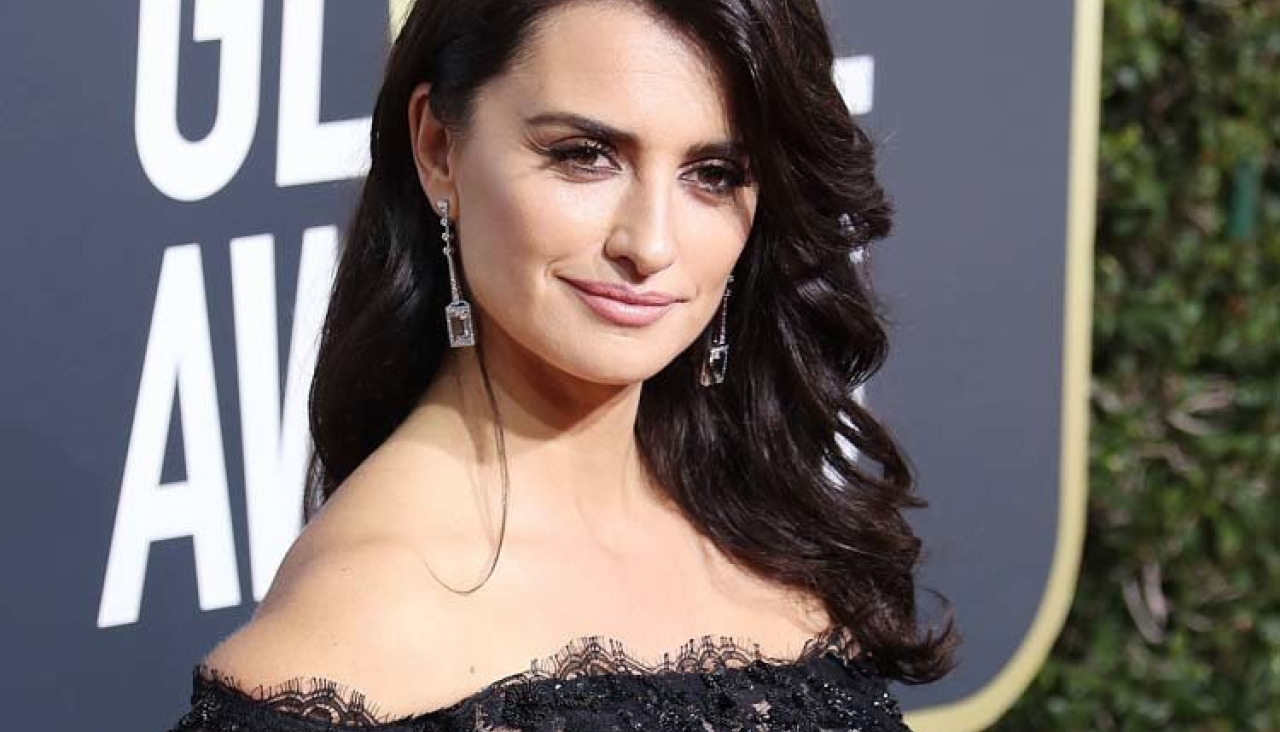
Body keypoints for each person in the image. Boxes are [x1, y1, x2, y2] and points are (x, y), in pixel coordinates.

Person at [166, 0, 958, 729]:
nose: (650, 244)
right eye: (585, 156)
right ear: (438, 147)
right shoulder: (353, 633)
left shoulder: (770, 527)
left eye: (713, 175)